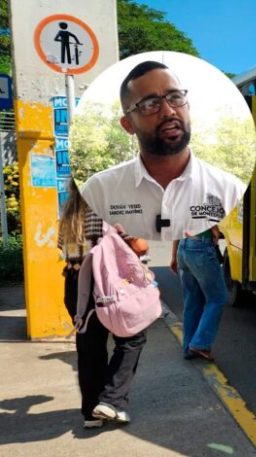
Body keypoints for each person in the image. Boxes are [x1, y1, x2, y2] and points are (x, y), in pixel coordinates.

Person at [81, 60, 245, 241]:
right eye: (150, 104)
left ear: (188, 107)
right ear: (128, 125)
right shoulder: (99, 192)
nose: (168, 112)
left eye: (175, 97)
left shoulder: (230, 190)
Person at [58, 181, 149, 429]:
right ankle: (111, 400)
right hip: (109, 285)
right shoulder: (114, 209)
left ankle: (91, 413)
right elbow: (141, 246)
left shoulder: (69, 213)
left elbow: (63, 250)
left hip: (77, 285)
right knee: (132, 339)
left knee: (90, 347)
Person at [170, 225, 227, 361]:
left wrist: (174, 255)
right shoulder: (202, 202)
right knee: (218, 298)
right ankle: (199, 344)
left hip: (183, 245)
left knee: (192, 301)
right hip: (200, 244)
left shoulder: (181, 201)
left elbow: (177, 224)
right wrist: (215, 230)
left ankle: (188, 347)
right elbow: (208, 212)